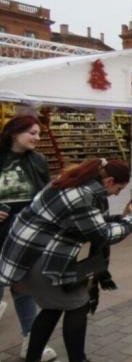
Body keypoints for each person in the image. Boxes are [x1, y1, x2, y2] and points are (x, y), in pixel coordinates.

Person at [0, 158, 132, 362]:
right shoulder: (82, 196)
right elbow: (102, 235)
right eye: (119, 188)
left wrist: (121, 217)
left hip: (31, 255)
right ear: (109, 181)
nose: (117, 193)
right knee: (78, 304)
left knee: (52, 308)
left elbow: (89, 224)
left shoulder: (71, 182)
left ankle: (33, 358)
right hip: (41, 259)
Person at [0, 115, 57, 362]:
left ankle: (31, 342)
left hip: (26, 230)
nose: (37, 137)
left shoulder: (39, 160)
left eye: (38, 134)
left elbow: (46, 193)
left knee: (24, 288)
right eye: (32, 133)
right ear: (15, 132)